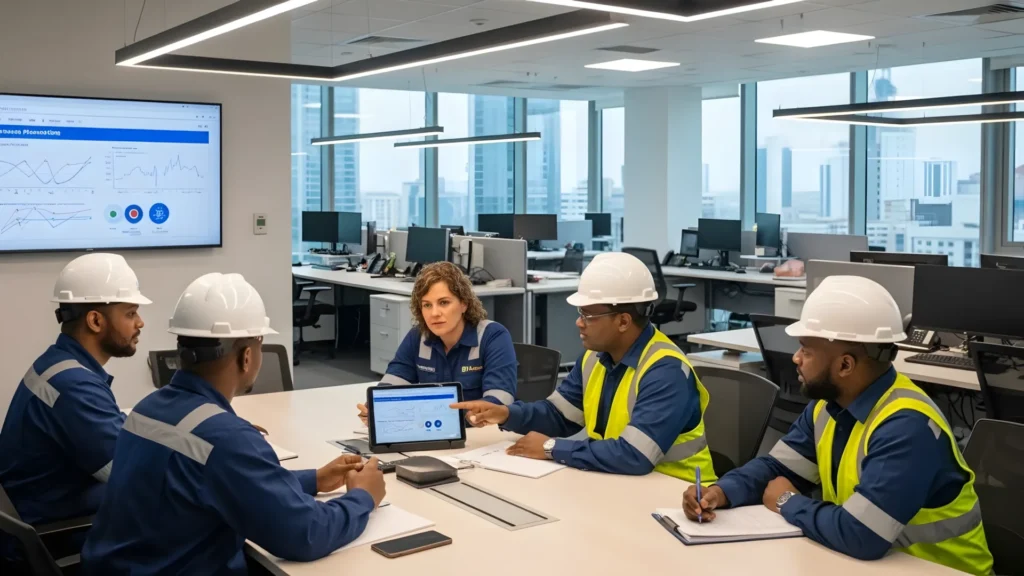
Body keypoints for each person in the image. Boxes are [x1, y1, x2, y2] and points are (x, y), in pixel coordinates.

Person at [682, 276, 992, 575]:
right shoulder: (828, 407)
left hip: (937, 570)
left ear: (845, 364)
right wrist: (720, 492)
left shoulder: (906, 427)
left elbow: (862, 535)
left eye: (806, 349)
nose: (795, 358)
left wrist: (787, 501)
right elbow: (777, 470)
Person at [81, 273, 386, 574]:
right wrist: (362, 497)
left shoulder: (147, 408)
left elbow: (220, 482)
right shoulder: (225, 437)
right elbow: (305, 534)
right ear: (247, 356)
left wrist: (313, 479)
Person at [453, 252, 716, 481]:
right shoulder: (595, 358)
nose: (579, 323)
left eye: (588, 315)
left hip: (678, 495)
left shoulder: (665, 371)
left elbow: (635, 456)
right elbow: (560, 416)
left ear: (623, 321)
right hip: (621, 486)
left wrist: (551, 448)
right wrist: (506, 414)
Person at [0, 253, 149, 527]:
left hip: (43, 508)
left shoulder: (57, 363)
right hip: (59, 531)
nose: (140, 322)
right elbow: (131, 475)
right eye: (130, 313)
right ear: (95, 321)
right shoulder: (74, 386)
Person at [356, 261, 517, 425]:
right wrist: (375, 408)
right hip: (432, 430)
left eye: (444, 303)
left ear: (464, 304)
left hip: (482, 437)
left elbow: (500, 400)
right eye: (427, 305)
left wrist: (480, 413)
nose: (434, 313)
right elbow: (392, 383)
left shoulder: (492, 336)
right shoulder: (418, 337)